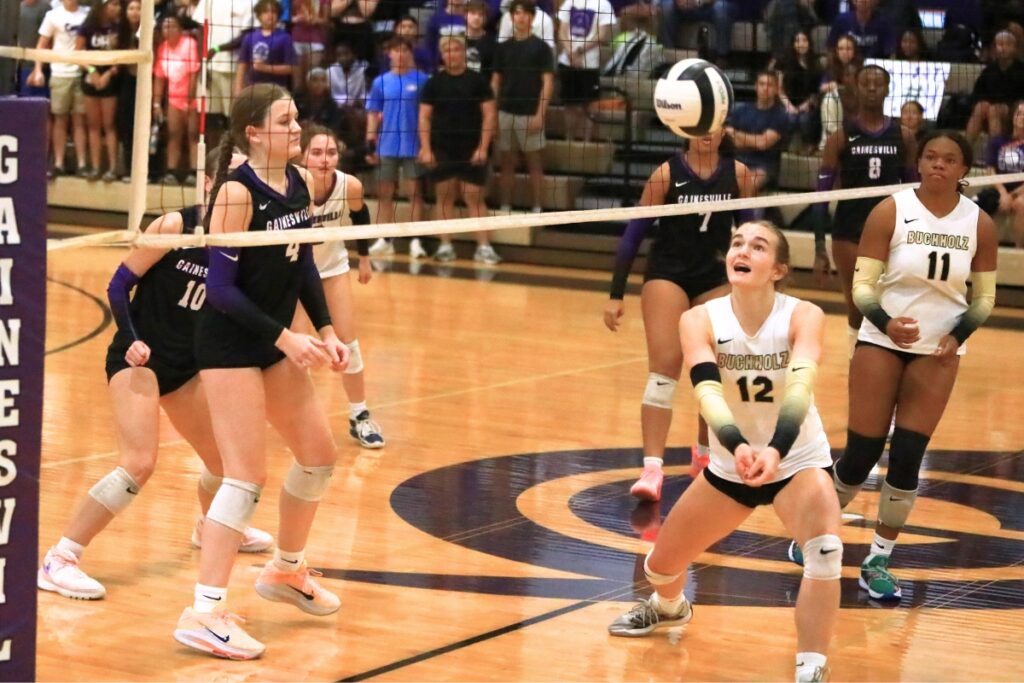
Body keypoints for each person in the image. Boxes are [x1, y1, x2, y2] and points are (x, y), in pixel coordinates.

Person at [608, 220, 843, 683]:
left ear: (777, 269)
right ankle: (669, 607)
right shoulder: (699, 318)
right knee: (659, 568)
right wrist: (737, 447)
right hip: (729, 466)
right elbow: (706, 391)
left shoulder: (803, 315)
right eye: (738, 243)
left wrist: (775, 450)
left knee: (826, 551)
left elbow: (800, 387)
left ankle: (811, 666)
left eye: (758, 246)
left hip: (795, 460)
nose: (743, 250)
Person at [37, 152, 272, 602]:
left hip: (188, 367)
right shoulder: (174, 227)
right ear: (208, 183)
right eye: (230, 178)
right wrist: (130, 337)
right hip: (138, 359)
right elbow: (117, 284)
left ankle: (212, 528)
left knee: (227, 464)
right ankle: (60, 558)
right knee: (140, 462)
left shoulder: (244, 244)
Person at [173, 83, 349, 660]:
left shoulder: (298, 182)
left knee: (320, 455)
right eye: (286, 120)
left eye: (297, 119)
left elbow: (302, 269)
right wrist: (285, 337)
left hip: (276, 343)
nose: (298, 129)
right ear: (254, 133)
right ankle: (204, 612)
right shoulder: (235, 192)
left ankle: (285, 571)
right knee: (244, 477)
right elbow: (220, 291)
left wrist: (326, 332)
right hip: (229, 346)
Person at [791, 130, 998, 602]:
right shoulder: (891, 209)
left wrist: (958, 334)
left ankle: (878, 559)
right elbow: (861, 288)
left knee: (907, 458)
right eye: (930, 157)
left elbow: (985, 298)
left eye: (949, 160)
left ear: (964, 169)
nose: (938, 166)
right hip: (881, 342)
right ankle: (812, 535)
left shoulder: (979, 224)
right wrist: (883, 320)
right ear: (918, 162)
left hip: (940, 351)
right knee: (860, 456)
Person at [604, 129, 758, 501]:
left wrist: (762, 285)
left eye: (713, 126)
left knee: (718, 365)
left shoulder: (738, 174)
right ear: (686, 129)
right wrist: (615, 292)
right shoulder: (666, 174)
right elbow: (634, 233)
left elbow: (754, 231)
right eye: (699, 128)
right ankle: (652, 469)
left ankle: (706, 458)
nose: (707, 135)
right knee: (666, 365)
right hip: (668, 274)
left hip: (712, 274)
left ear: (723, 129)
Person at [813, 64, 918, 359]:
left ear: (887, 90)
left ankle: (891, 362)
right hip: (849, 232)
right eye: (865, 83)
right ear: (856, 88)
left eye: (878, 83)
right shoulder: (841, 137)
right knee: (857, 304)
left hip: (892, 232)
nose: (872, 88)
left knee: (892, 304)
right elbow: (821, 197)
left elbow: (914, 193)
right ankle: (855, 363)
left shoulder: (904, 136)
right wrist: (819, 246)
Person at [299, 124, 386, 448]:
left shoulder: (349, 185)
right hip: (293, 273)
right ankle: (300, 418)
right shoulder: (291, 184)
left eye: (331, 153)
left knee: (347, 343)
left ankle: (359, 416)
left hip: (332, 268)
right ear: (303, 155)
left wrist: (364, 258)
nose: (324, 160)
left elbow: (360, 216)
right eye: (317, 153)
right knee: (298, 349)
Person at [418, 35, 500, 264]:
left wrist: (483, 148)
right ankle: (445, 246)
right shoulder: (434, 82)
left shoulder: (478, 81)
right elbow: (424, 118)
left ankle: (484, 247)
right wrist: (426, 149)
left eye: (456, 49)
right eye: (448, 50)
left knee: (474, 198)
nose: (452, 54)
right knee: (444, 198)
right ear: (443, 55)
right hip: (442, 148)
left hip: (471, 148)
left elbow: (489, 115)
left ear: (464, 52)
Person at [364, 36, 430, 259]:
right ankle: (384, 238)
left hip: (413, 145)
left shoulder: (423, 80)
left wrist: (426, 146)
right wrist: (370, 144)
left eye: (404, 50)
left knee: (414, 194)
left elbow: (428, 115)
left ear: (410, 53)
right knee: (384, 194)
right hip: (386, 145)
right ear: (388, 53)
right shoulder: (380, 82)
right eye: (395, 50)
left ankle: (415, 240)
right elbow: (373, 115)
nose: (400, 54)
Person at [492, 0, 555, 214]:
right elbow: (495, 83)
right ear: (511, 17)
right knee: (506, 163)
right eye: (516, 13)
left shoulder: (541, 48)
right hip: (505, 112)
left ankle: (537, 207)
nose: (520, 17)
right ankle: (505, 206)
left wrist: (540, 114)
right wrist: (493, 114)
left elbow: (548, 83)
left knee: (534, 164)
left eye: (524, 13)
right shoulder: (502, 49)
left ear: (532, 17)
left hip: (530, 113)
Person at [29, 0, 89, 179]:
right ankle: (58, 163)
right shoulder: (52, 15)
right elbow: (41, 45)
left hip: (81, 72)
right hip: (60, 73)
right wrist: (37, 70)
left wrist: (91, 69)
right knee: (60, 120)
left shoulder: (87, 14)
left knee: (79, 120)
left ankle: (82, 164)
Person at [555, 0, 615, 142]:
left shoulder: (604, 5)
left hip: (589, 64)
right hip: (566, 61)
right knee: (569, 105)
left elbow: (601, 36)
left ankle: (586, 142)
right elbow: (562, 31)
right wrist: (570, 52)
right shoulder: (569, 2)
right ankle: (568, 141)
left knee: (589, 106)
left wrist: (579, 51)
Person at [76, 0, 122, 182]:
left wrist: (108, 74)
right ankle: (95, 167)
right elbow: (77, 54)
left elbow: (123, 57)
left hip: (110, 80)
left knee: (109, 125)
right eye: (113, 4)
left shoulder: (119, 27)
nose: (117, 8)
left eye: (118, 5)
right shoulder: (87, 27)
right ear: (102, 7)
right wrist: (93, 71)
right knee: (93, 125)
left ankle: (112, 168)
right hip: (91, 79)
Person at [153, 14, 201, 185]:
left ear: (180, 29)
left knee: (193, 134)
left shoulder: (189, 44)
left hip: (192, 99)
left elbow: (194, 74)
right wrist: (157, 103)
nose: (169, 29)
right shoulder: (162, 48)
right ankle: (172, 172)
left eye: (173, 26)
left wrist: (190, 98)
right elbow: (159, 78)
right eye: (165, 26)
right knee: (174, 135)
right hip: (173, 99)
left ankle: (195, 173)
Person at [724, 70, 789, 194]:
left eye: (769, 85)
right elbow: (729, 138)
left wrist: (737, 135)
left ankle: (747, 213)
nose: (765, 88)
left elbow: (762, 143)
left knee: (747, 185)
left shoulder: (780, 115)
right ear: (756, 86)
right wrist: (753, 141)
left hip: (763, 166)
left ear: (776, 89)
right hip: (737, 161)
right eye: (762, 84)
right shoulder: (741, 110)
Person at [976, 100, 1024, 247]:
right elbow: (991, 170)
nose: (1022, 117)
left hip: (1021, 190)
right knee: (975, 204)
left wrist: (1012, 195)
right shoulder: (998, 141)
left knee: (1021, 203)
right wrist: (1003, 193)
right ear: (1013, 117)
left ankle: (1019, 253)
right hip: (1001, 188)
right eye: (1019, 114)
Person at [965, 30, 1024, 145]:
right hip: (991, 110)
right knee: (980, 107)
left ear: (1015, 48)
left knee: (995, 110)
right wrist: (983, 104)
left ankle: (995, 154)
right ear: (995, 48)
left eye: (1007, 44)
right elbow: (977, 94)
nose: (1003, 48)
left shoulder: (1021, 70)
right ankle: (965, 150)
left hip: (1014, 111)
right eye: (1000, 44)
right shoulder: (989, 70)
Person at [773, 30, 822, 155]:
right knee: (791, 117)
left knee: (805, 119)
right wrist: (789, 105)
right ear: (793, 44)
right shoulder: (783, 62)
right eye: (797, 41)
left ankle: (808, 144)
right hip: (786, 101)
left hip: (808, 103)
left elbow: (815, 92)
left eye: (804, 40)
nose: (801, 44)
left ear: (809, 43)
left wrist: (805, 105)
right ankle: (784, 146)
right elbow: (779, 89)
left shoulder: (815, 64)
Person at [235, 0, 297, 94]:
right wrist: (238, 88)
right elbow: (242, 64)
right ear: (259, 15)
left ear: (278, 15)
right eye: (265, 12)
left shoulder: (285, 38)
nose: (270, 15)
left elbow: (292, 68)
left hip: (277, 90)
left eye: (273, 12)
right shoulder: (249, 37)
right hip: (253, 89)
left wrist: (265, 68)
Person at [826, 0, 895, 58]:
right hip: (848, 63)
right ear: (854, 1)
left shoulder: (884, 22)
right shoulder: (841, 20)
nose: (863, 1)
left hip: (875, 65)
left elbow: (891, 51)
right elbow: (831, 46)